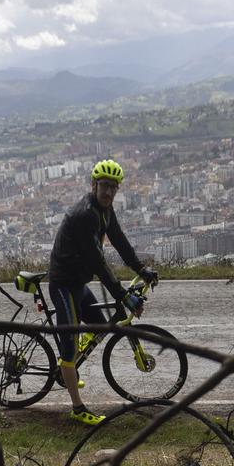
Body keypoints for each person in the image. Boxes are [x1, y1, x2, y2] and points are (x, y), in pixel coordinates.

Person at [47, 159, 158, 424]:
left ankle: (68, 368)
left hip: (78, 282)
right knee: (69, 349)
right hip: (63, 283)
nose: (108, 192)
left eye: (113, 188)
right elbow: (98, 262)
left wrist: (141, 269)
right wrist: (123, 296)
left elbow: (120, 242)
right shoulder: (86, 214)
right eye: (104, 186)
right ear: (94, 185)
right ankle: (76, 406)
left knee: (98, 325)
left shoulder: (105, 211)